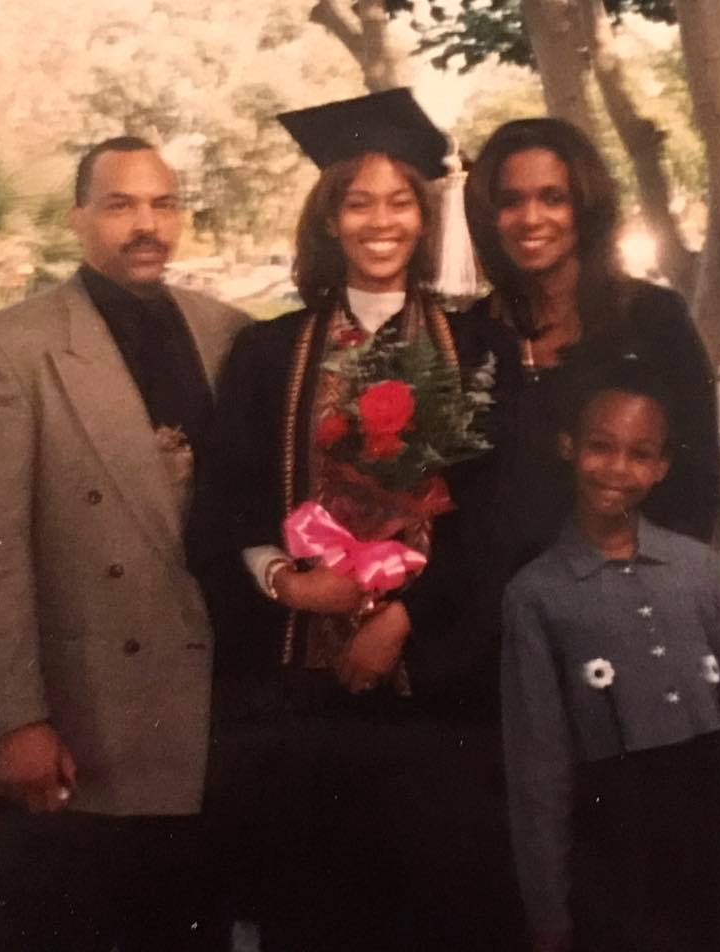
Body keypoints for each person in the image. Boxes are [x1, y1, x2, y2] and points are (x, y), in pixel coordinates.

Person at [211, 88, 527, 952]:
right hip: (302, 695)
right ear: (330, 219)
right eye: (358, 202)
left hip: (440, 688)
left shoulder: (481, 350)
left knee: (437, 914)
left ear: (425, 220)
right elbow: (224, 503)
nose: (380, 222)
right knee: (316, 914)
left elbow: (499, 522)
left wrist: (401, 620)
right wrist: (284, 579)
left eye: (400, 202)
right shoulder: (269, 351)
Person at [0, 136, 248, 952]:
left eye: (163, 203)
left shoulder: (231, 334)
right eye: (119, 205)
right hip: (81, 733)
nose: (146, 224)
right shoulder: (7, 349)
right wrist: (14, 721)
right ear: (78, 219)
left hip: (211, 727)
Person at [501, 359, 720, 952]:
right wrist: (549, 918)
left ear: (661, 468)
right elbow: (539, 771)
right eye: (601, 447)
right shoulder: (536, 594)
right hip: (614, 853)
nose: (617, 468)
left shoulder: (701, 572)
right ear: (569, 447)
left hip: (711, 845)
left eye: (640, 454)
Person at [461, 117, 720, 575]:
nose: (531, 218)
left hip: (621, 599)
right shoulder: (466, 336)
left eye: (553, 198)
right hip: (486, 611)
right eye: (510, 201)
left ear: (585, 206)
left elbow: (696, 480)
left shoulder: (652, 320)